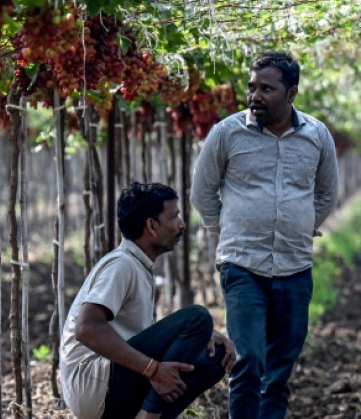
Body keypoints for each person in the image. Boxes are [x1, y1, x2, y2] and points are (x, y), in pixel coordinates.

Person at [191, 50, 339, 418]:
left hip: (295, 266)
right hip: (242, 264)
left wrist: (301, 227)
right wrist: (226, 230)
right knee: (248, 360)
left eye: (267, 89)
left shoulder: (317, 136)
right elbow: (202, 191)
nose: (255, 95)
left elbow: (326, 194)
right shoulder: (226, 133)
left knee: (280, 368)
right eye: (252, 87)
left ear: (292, 93)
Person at [60, 182, 235, 419]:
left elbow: (136, 336)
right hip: (92, 383)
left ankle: (147, 413)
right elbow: (86, 328)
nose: (182, 225)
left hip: (108, 382)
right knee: (198, 317)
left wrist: (203, 336)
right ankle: (149, 416)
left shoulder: (139, 265)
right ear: (151, 226)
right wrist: (153, 370)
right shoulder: (122, 264)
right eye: (174, 217)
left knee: (217, 356)